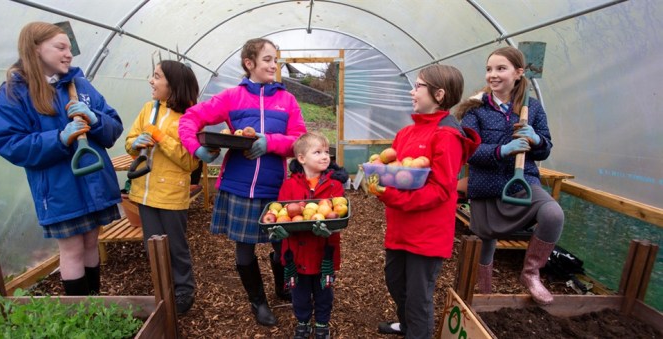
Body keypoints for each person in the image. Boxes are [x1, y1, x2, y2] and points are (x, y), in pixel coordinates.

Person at [178, 37, 307, 326]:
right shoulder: (231, 97)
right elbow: (190, 119)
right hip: (238, 187)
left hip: (275, 187)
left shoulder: (287, 100)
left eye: (276, 59)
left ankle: (282, 288)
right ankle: (258, 301)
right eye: (267, 59)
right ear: (249, 63)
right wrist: (196, 149)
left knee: (281, 244)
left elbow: (301, 140)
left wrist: (271, 142)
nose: (274, 65)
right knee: (244, 247)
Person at [0, 22, 123, 296]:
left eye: (69, 48)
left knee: (90, 242)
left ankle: (94, 307)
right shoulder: (13, 93)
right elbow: (9, 143)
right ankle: (81, 317)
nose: (68, 54)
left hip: (93, 180)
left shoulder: (80, 84)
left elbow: (114, 127)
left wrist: (96, 121)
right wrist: (59, 139)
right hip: (59, 187)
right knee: (72, 248)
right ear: (35, 49)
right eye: (60, 47)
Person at [367, 65, 480, 338]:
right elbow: (397, 174)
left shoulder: (447, 136)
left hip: (427, 234)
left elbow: (441, 190)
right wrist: (379, 180)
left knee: (419, 298)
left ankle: (417, 331)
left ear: (439, 94)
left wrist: (389, 194)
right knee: (395, 283)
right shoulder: (406, 134)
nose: (412, 91)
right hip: (400, 228)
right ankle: (407, 326)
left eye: (418, 86)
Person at [456, 46, 565, 305]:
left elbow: (545, 149)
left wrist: (536, 139)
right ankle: (483, 289)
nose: (492, 75)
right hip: (486, 185)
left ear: (518, 73)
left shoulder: (533, 108)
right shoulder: (475, 109)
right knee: (486, 240)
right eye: (489, 69)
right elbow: (467, 151)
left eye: (500, 68)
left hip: (522, 183)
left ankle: (531, 273)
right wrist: (502, 150)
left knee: (553, 214)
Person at [124, 60, 201, 314]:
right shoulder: (148, 109)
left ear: (173, 84)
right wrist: (137, 144)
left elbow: (190, 161)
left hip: (170, 195)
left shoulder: (191, 117)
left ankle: (184, 290)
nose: (151, 81)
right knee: (152, 246)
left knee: (175, 247)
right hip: (144, 193)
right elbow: (129, 141)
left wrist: (159, 137)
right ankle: (162, 289)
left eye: (156, 76)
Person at [267, 132, 349, 339]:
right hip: (296, 251)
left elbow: (339, 215)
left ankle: (322, 323)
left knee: (324, 291)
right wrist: (282, 230)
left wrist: (331, 228)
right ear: (301, 158)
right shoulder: (289, 186)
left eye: (326, 153)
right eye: (317, 152)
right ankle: (302, 322)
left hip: (324, 250)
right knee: (299, 292)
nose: (324, 157)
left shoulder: (335, 186)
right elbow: (281, 214)